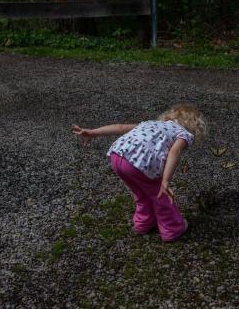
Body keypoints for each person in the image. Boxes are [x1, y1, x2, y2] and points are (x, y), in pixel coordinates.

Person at [72, 103, 206, 242]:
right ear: (194, 126)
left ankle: (143, 223)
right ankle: (172, 229)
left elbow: (120, 127)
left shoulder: (151, 123)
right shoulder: (183, 133)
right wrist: (165, 181)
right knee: (160, 194)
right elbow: (174, 151)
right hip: (139, 163)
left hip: (117, 155)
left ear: (169, 116)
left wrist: (93, 132)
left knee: (141, 192)